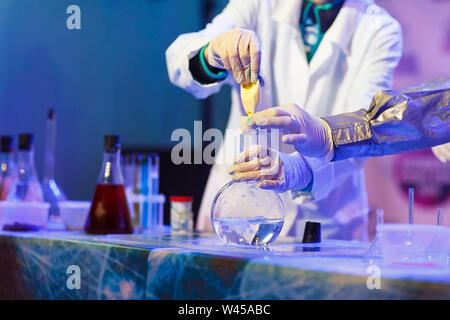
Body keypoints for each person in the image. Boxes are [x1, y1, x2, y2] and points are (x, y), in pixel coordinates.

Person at [166, 0, 403, 241]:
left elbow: (364, 129)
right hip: (237, 212)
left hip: (328, 218)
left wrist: (299, 169)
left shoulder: (379, 28)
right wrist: (210, 55)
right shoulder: (259, 4)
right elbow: (181, 60)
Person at [235, 78, 449, 167]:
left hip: (335, 210)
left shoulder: (377, 25)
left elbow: (429, 111)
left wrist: (330, 134)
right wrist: (208, 59)